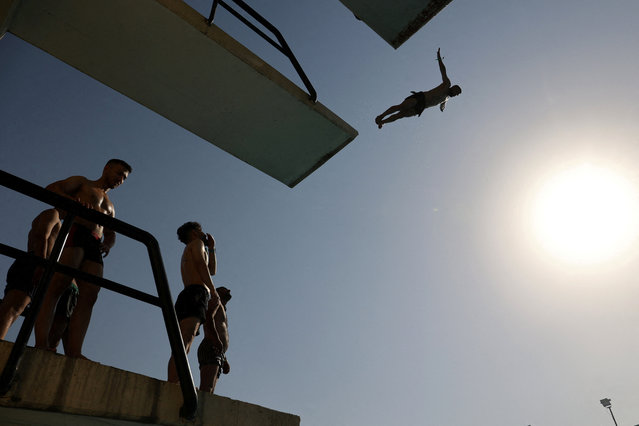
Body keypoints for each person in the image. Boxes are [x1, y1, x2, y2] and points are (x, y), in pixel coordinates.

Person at [34, 159, 132, 357]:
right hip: (76, 231)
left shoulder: (111, 207)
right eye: (119, 173)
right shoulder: (82, 183)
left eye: (124, 178)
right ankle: (41, 342)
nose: (120, 179)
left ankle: (75, 351)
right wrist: (70, 202)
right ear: (107, 168)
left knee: (89, 295)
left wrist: (108, 244)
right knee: (57, 285)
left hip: (95, 243)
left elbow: (111, 234)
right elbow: (51, 188)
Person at [168, 221, 221, 383]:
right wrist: (213, 291)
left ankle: (174, 380)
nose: (203, 233)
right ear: (194, 232)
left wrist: (212, 249)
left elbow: (211, 270)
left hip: (189, 293)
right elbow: (200, 263)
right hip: (196, 293)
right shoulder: (196, 244)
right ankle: (173, 381)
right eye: (200, 230)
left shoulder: (195, 247)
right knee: (186, 338)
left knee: (185, 340)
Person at [0, 208, 61, 339]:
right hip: (34, 262)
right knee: (14, 305)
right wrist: (41, 262)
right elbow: (41, 235)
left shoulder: (58, 219)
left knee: (18, 307)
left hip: (38, 263)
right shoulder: (53, 213)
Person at [375, 48, 462, 129]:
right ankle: (382, 116)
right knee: (401, 107)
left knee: (400, 115)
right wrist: (439, 58)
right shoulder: (447, 84)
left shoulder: (446, 99)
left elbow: (443, 105)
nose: (456, 95)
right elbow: (443, 71)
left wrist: (443, 107)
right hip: (421, 98)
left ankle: (383, 122)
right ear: (453, 87)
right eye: (456, 92)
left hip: (421, 107)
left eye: (457, 95)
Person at [198, 286, 231, 394]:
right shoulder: (216, 300)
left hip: (217, 350)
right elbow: (207, 318)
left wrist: (224, 358)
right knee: (206, 389)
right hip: (211, 346)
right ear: (217, 292)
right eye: (224, 289)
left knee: (209, 391)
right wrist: (216, 340)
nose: (229, 290)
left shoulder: (222, 309)